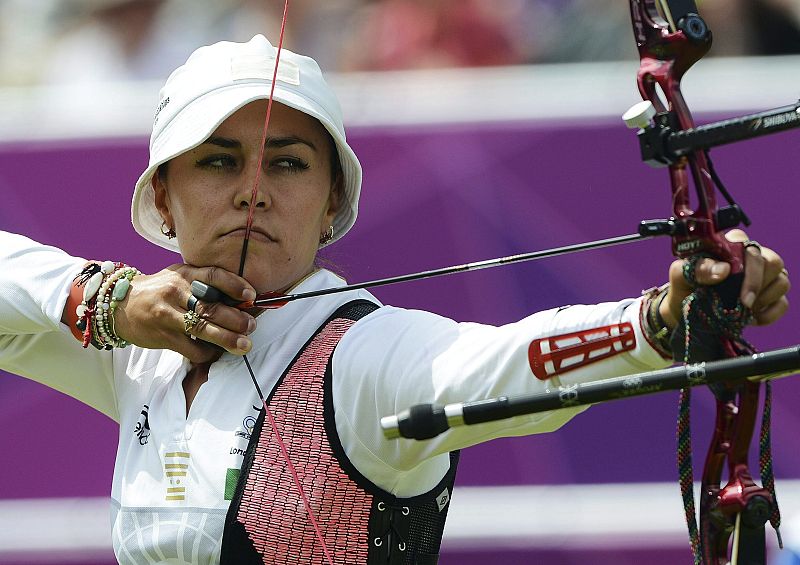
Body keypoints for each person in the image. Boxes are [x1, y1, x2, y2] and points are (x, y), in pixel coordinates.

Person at [0, 34, 790, 564]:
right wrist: (106, 300)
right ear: (163, 201)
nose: (252, 191)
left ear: (331, 195)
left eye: (286, 163)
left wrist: (659, 317)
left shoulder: (362, 358)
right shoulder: (140, 351)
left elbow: (504, 364)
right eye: (216, 161)